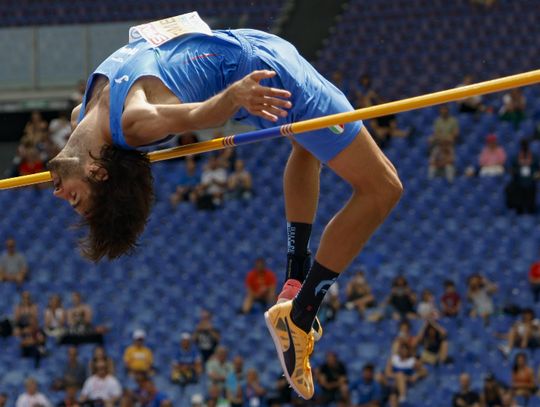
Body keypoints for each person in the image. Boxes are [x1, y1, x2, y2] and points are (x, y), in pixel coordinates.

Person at [47, 15, 403, 399]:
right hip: (265, 77)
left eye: (71, 199)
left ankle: (294, 285)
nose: (58, 195)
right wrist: (232, 97)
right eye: (74, 199)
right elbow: (194, 116)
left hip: (250, 52)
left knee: (307, 142)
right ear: (97, 173)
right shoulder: (131, 121)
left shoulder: (81, 116)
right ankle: (302, 314)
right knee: (382, 189)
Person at [505, 139, 539, 214]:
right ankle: (519, 209)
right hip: (519, 180)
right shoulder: (516, 157)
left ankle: (531, 210)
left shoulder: (534, 156)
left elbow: (538, 168)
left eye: (525, 145)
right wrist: (513, 171)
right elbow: (511, 168)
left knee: (531, 188)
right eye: (523, 145)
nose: (524, 147)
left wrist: (537, 174)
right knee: (514, 189)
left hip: (531, 180)